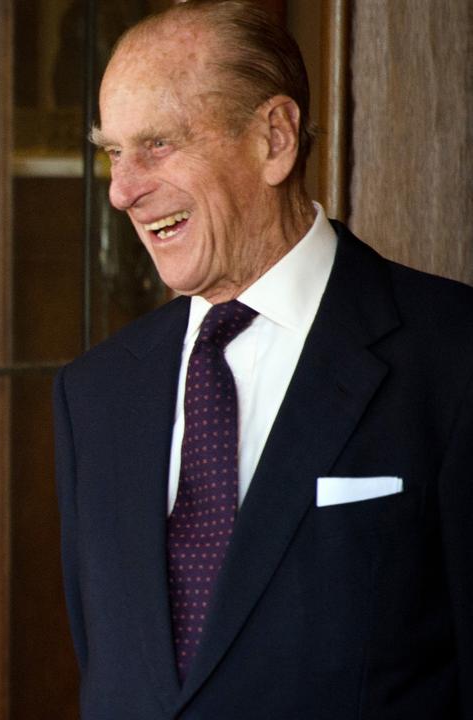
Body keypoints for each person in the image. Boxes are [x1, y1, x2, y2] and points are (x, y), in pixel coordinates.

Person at [53, 2, 472, 718]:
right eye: (113, 152)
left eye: (156, 144)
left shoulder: (452, 352)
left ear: (273, 139)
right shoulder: (94, 394)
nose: (122, 189)